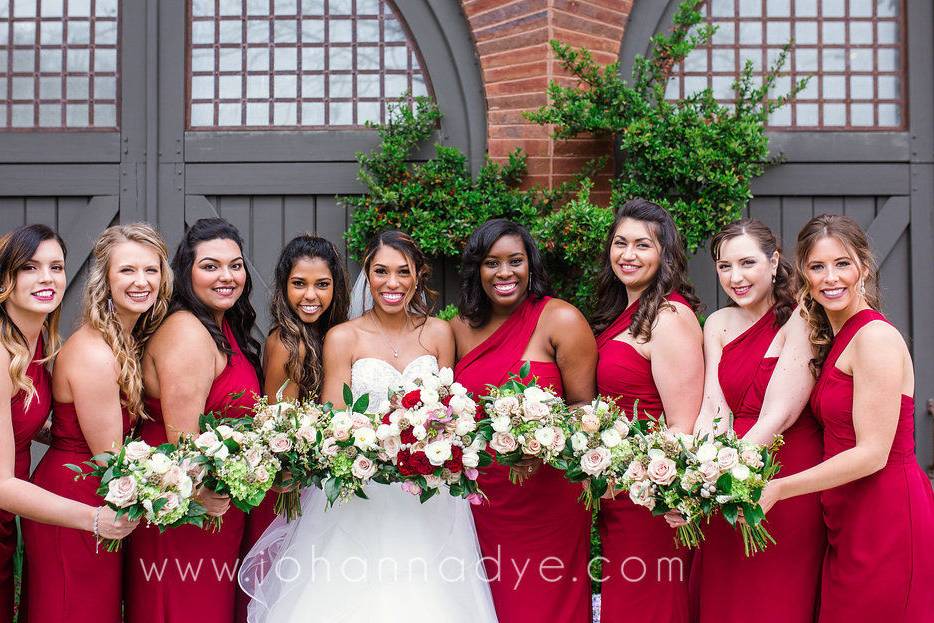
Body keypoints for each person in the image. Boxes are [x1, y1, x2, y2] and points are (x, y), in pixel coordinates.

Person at [239, 230, 497, 623]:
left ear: (418, 276)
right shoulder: (343, 337)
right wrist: (383, 445)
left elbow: (449, 413)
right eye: (381, 271)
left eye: (402, 272)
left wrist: (434, 442)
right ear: (367, 275)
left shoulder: (439, 333)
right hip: (359, 491)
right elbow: (336, 420)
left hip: (426, 491)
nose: (391, 283)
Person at [758, 214, 933, 622]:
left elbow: (872, 453)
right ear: (803, 274)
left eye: (842, 264)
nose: (830, 277)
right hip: (847, 518)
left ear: (864, 268)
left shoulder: (874, 338)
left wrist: (780, 488)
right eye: (817, 267)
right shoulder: (840, 336)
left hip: (886, 516)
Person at [22, 223, 171, 622]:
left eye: (151, 270)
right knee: (74, 608)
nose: (142, 281)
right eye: (127, 270)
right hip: (76, 497)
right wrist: (184, 485)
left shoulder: (124, 339)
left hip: (96, 495)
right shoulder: (96, 353)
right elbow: (113, 460)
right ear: (105, 277)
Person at [451, 219, 596, 623]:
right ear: (477, 269)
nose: (504, 273)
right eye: (491, 262)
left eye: (515, 260)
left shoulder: (561, 319)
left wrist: (542, 439)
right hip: (481, 501)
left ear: (530, 264)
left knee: (544, 605)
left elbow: (584, 408)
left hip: (547, 496)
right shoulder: (459, 328)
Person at [125, 218, 264, 623]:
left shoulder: (223, 327)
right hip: (189, 506)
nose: (227, 276)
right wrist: (204, 497)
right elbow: (184, 444)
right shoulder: (187, 331)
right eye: (211, 266)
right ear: (187, 272)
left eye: (235, 265)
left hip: (217, 505)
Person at [687, 219, 824, 623]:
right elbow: (713, 405)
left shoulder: (802, 316)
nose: (736, 277)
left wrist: (723, 473)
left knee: (774, 601)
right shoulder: (716, 323)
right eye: (724, 266)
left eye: (747, 263)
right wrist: (697, 472)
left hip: (784, 472)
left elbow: (780, 413)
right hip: (726, 474)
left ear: (774, 260)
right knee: (725, 597)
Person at [0, 224, 137, 623]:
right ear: (4, 281)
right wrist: (94, 518)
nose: (47, 278)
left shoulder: (39, 341)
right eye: (29, 267)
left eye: (56, 266)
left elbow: (21, 422)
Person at [590, 199, 703, 623]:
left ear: (665, 254)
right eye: (620, 243)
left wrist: (636, 481)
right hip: (619, 496)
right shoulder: (619, 313)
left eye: (643, 245)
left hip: (652, 500)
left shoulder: (670, 316)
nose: (628, 255)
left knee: (651, 607)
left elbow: (683, 424)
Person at [264, 234, 349, 401]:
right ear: (284, 285)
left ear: (336, 287)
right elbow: (280, 423)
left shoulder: (333, 334)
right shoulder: (289, 346)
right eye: (299, 283)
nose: (310, 295)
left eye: (322, 284)